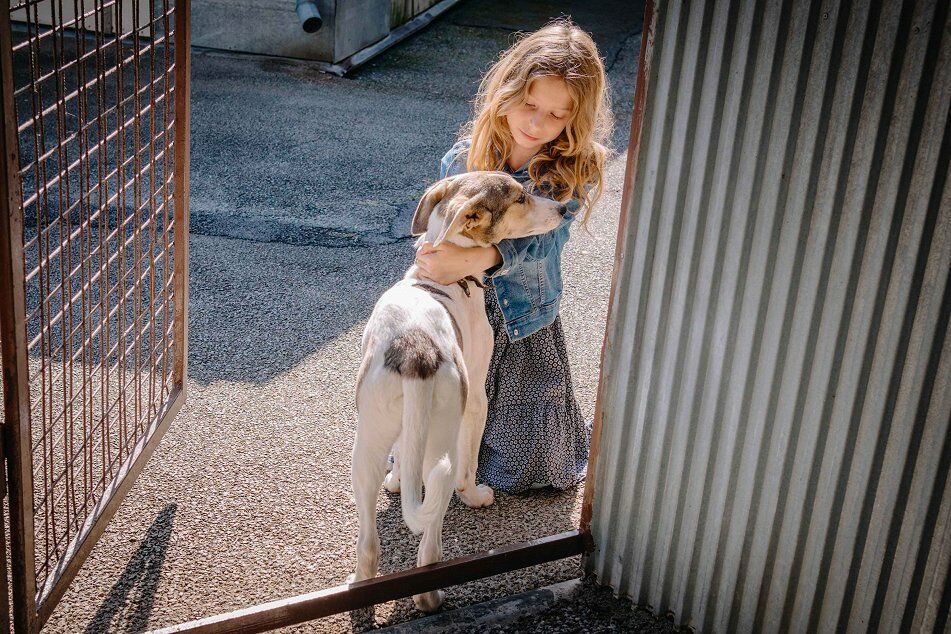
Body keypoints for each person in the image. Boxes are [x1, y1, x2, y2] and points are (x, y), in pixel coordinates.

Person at [414, 18, 613, 494]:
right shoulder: (463, 159)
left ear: (575, 119)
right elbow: (440, 225)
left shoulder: (569, 171)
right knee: (440, 425)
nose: (536, 123)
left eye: (556, 115)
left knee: (528, 467)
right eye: (529, 105)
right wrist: (436, 260)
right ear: (507, 90)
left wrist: (478, 260)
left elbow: (545, 243)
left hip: (522, 319)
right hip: (460, 309)